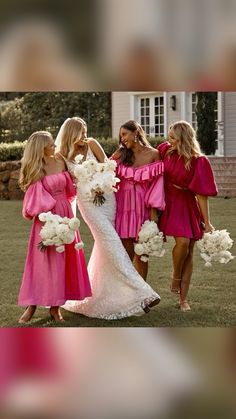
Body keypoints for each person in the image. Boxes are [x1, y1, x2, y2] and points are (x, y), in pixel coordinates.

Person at [55, 117, 161, 319]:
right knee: (113, 244)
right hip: (89, 205)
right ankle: (143, 293)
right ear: (72, 133)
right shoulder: (62, 156)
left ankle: (105, 295)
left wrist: (100, 183)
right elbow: (65, 182)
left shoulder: (92, 144)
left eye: (86, 131)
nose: (85, 136)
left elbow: (108, 166)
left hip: (107, 199)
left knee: (106, 249)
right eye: (81, 132)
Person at [18, 131, 91, 323]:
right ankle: (32, 305)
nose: (55, 146)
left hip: (65, 213)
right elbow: (33, 200)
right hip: (46, 218)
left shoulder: (60, 160)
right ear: (41, 148)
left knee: (64, 258)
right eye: (51, 144)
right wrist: (48, 218)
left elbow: (71, 187)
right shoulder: (36, 168)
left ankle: (55, 308)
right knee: (41, 262)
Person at [157, 121, 218, 312]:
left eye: (173, 138)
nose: (169, 140)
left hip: (186, 203)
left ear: (183, 139)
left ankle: (183, 299)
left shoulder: (198, 160)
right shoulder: (164, 150)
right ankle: (175, 274)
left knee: (189, 249)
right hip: (168, 201)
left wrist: (207, 222)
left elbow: (202, 194)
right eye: (169, 137)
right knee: (182, 242)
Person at [112, 120, 165, 280]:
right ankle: (128, 295)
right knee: (126, 253)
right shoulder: (120, 155)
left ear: (136, 133)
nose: (122, 139)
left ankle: (143, 296)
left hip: (143, 208)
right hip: (124, 208)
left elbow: (157, 185)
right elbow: (105, 174)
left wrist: (154, 214)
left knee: (142, 253)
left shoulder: (154, 154)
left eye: (124, 134)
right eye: (120, 136)